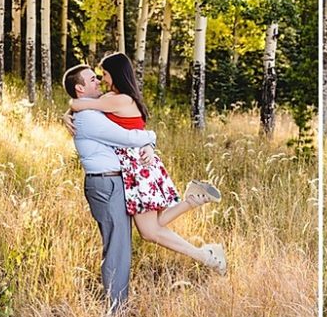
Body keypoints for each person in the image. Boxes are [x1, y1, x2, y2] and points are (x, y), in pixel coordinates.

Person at [67, 55, 225, 275]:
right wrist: (68, 114)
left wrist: (69, 108)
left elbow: (79, 102)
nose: (102, 80)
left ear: (115, 74)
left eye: (104, 74)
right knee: (151, 228)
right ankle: (196, 209)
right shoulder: (118, 97)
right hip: (138, 166)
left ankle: (208, 256)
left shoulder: (117, 99)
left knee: (150, 231)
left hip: (136, 166)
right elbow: (88, 107)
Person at [66, 80, 157, 312]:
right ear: (80, 88)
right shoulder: (89, 118)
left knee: (119, 246)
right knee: (117, 249)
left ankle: (117, 308)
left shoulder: (92, 111)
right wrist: (151, 137)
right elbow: (127, 138)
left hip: (112, 182)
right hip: (106, 183)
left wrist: (68, 109)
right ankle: (115, 313)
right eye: (92, 79)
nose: (98, 81)